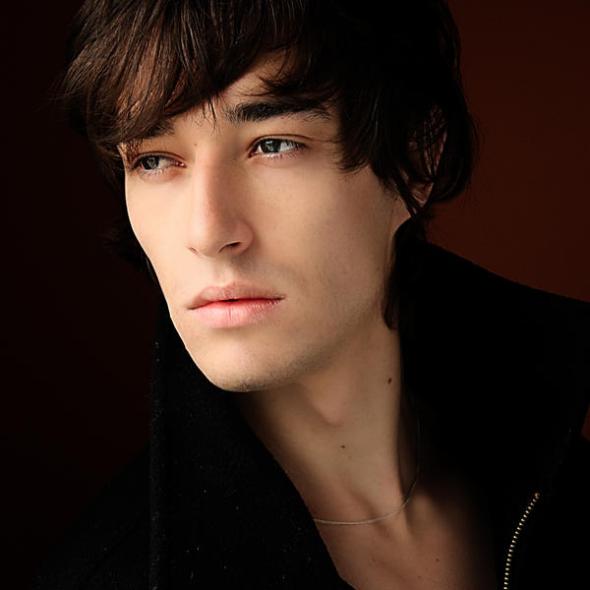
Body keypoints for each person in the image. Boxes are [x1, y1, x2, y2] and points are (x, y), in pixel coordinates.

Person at [32, 0, 589, 588]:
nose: (209, 232)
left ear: (416, 156)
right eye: (154, 160)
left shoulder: (561, 493)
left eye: (273, 145)